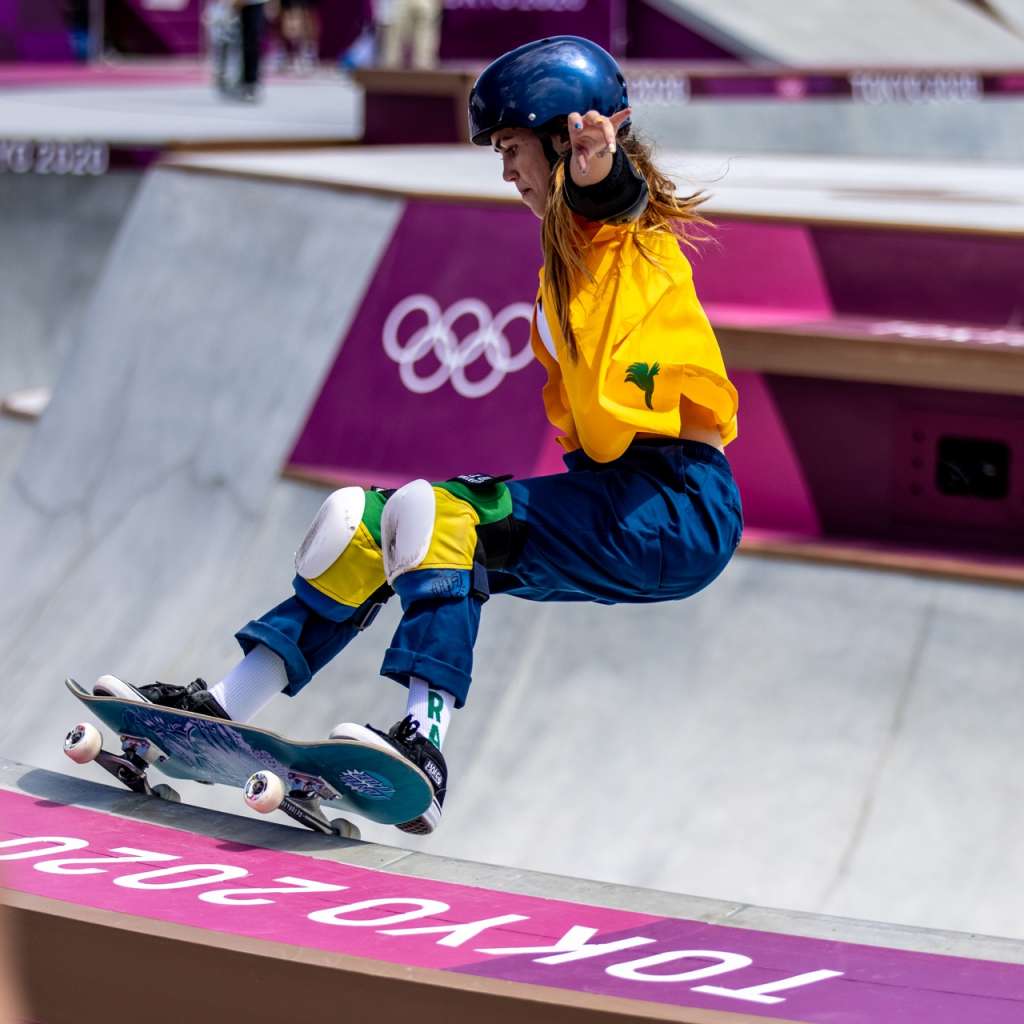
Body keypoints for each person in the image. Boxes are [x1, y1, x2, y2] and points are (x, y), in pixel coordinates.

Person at [93, 36, 742, 836]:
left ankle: (424, 747)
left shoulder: (619, 237)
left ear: (562, 141)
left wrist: (597, 168)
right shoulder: (561, 261)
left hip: (677, 504)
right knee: (365, 525)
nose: (507, 172)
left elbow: (615, 199)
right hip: (620, 497)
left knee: (443, 515)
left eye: (512, 150)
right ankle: (223, 707)